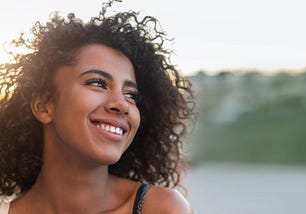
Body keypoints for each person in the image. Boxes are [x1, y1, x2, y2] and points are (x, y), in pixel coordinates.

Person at [0, 1, 195, 213]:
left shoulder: (160, 208)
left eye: (131, 95)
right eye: (97, 83)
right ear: (43, 106)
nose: (122, 104)